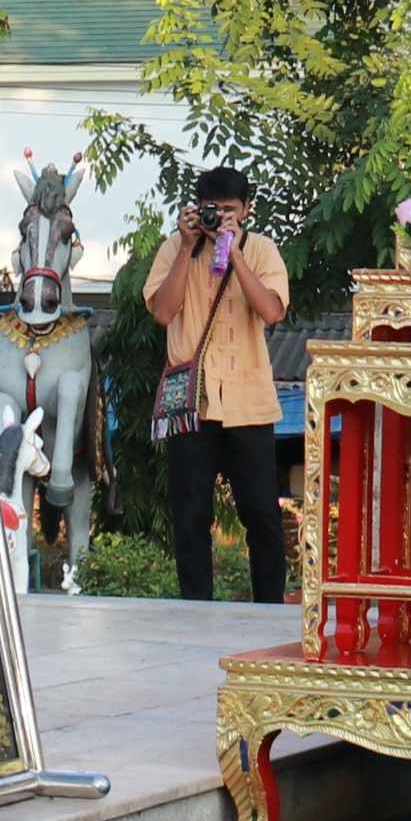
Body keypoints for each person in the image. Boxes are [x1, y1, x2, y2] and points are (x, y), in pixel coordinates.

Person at [145, 167, 292, 604]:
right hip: (193, 404)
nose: (220, 219)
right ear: (197, 208)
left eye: (229, 211)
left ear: (246, 209)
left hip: (249, 403)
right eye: (213, 211)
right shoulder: (177, 248)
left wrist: (236, 252)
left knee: (262, 514)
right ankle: (195, 609)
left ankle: (267, 610)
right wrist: (188, 248)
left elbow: (271, 312)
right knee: (190, 515)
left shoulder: (263, 250)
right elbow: (162, 313)